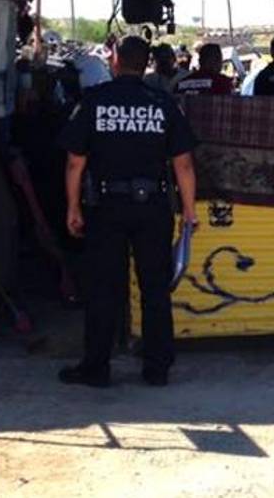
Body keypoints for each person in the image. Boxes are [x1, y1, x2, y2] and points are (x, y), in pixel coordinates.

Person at [59, 36, 199, 388]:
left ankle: (96, 368)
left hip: (107, 207)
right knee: (155, 288)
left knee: (103, 288)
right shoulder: (163, 103)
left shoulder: (95, 101)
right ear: (147, 63)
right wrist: (189, 210)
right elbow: (183, 164)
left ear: (116, 61)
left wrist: (73, 207)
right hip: (153, 207)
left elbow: (75, 162)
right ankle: (157, 368)